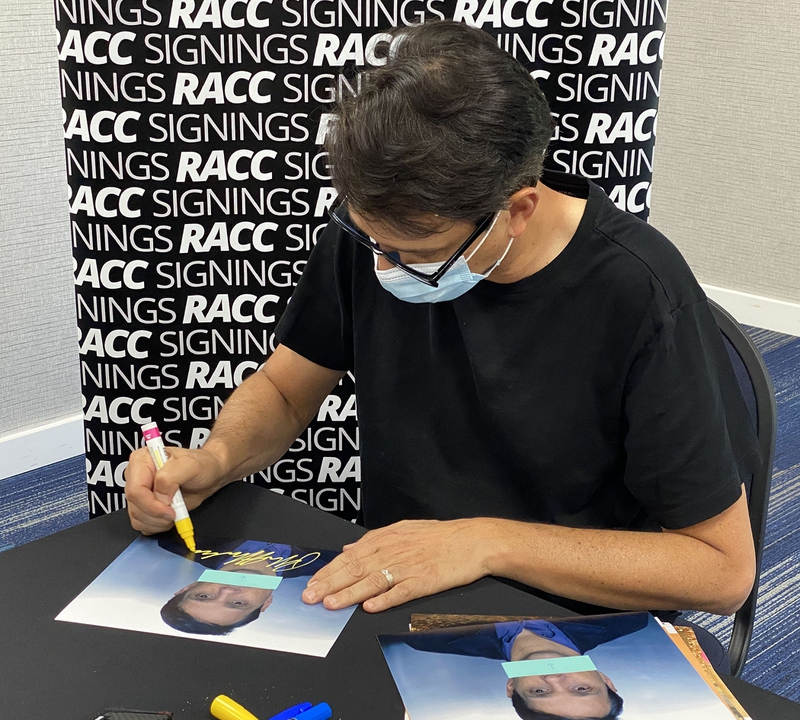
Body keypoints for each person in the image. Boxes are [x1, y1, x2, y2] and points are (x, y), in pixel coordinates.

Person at [125, 19, 759, 659]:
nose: (384, 267)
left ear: (518, 209)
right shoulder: (377, 229)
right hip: (400, 589)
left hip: (567, 621)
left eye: (416, 253)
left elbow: (721, 572)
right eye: (370, 239)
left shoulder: (639, 294)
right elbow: (288, 391)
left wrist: (485, 541)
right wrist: (215, 458)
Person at [397, 614, 648, 719]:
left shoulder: (424, 638)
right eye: (581, 688)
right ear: (605, 680)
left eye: (540, 692)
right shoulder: (633, 619)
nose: (554, 677)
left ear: (511, 686)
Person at [157, 537, 336, 635]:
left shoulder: (175, 539)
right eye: (237, 603)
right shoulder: (333, 563)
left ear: (188, 587)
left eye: (204, 596)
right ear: (266, 604)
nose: (227, 591)